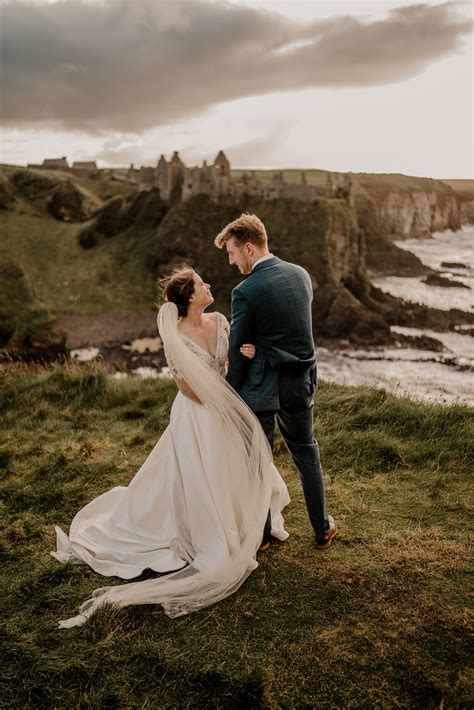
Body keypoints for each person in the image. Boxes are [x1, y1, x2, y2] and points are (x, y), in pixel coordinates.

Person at [51, 266, 289, 628]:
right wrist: (221, 400)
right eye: (201, 284)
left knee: (235, 468)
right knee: (201, 473)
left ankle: (245, 525)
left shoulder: (222, 321)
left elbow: (230, 363)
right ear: (190, 297)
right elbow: (187, 389)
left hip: (225, 405)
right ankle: (207, 529)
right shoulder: (175, 335)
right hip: (198, 414)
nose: (209, 285)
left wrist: (247, 352)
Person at [214, 213, 336, 549]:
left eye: (233, 253)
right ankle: (322, 527)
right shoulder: (301, 275)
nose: (231, 260)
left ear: (249, 248)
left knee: (258, 462)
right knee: (306, 453)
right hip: (300, 382)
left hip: (261, 387)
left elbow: (238, 350)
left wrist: (228, 389)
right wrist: (265, 344)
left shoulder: (246, 291)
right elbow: (293, 330)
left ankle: (263, 536)